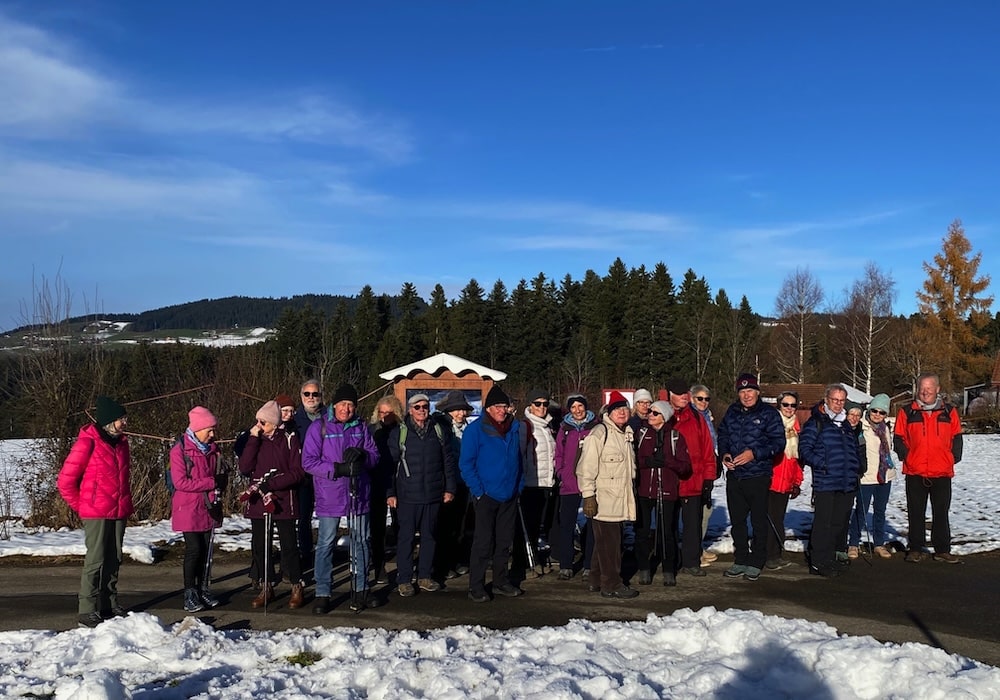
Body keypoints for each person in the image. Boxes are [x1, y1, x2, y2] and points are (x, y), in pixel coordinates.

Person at [302, 383, 381, 613]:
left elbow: (375, 456)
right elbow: (308, 462)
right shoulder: (319, 427)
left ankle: (361, 588)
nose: (346, 409)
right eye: (342, 404)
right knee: (326, 543)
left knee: (361, 541)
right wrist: (337, 469)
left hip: (358, 493)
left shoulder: (361, 426)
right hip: (330, 494)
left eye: (350, 405)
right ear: (334, 404)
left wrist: (363, 456)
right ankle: (323, 592)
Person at [57, 396, 133, 628]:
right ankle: (87, 609)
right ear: (109, 421)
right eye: (121, 419)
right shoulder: (88, 442)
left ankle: (108, 603)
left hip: (119, 510)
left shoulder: (121, 443)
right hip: (96, 513)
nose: (125, 423)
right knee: (96, 560)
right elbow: (65, 482)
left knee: (114, 558)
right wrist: (83, 506)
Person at [717, 374, 786, 581]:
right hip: (735, 475)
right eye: (742, 392)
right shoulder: (732, 411)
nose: (746, 395)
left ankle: (757, 560)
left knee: (758, 521)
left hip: (758, 475)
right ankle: (740, 558)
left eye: (750, 391)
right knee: (737, 521)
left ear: (757, 392)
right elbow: (723, 434)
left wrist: (754, 453)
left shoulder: (769, 414)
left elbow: (778, 443)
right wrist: (725, 454)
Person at [238, 400, 306, 609]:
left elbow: (297, 472)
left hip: (283, 499)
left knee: (289, 545)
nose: (259, 425)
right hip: (258, 500)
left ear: (274, 424)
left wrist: (273, 483)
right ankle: (266, 585)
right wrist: (252, 439)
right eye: (258, 421)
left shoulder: (289, 439)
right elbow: (245, 467)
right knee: (260, 545)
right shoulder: (254, 439)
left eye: (263, 422)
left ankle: (296, 584)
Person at [460, 385, 525, 603]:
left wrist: (518, 486)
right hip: (486, 495)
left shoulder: (513, 428)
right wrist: (479, 491)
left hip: (509, 494)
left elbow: (518, 459)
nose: (502, 410)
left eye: (505, 406)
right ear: (488, 408)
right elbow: (466, 464)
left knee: (504, 542)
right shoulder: (475, 430)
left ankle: (500, 581)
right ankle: (476, 586)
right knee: (483, 542)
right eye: (497, 406)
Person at [388, 394, 458, 596]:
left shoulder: (438, 430)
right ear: (410, 410)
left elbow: (448, 461)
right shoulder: (400, 432)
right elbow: (390, 466)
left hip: (433, 494)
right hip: (407, 495)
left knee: (429, 537)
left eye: (425, 406)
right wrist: (390, 493)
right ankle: (404, 579)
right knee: (406, 538)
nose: (421, 410)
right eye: (417, 407)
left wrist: (450, 488)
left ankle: (425, 576)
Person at [894, 373, 963, 564]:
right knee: (915, 512)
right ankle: (915, 548)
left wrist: (952, 458)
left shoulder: (949, 412)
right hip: (915, 471)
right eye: (922, 388)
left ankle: (942, 550)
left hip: (942, 471)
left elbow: (957, 437)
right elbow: (898, 438)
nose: (925, 392)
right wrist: (907, 457)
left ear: (937, 389)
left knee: (941, 513)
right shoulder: (907, 412)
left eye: (929, 388)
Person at [578, 391, 640, 599]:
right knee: (611, 546)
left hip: (619, 499)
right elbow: (586, 468)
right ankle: (612, 584)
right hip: (604, 500)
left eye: (625, 409)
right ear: (609, 413)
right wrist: (588, 495)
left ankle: (596, 580)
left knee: (604, 544)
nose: (622, 413)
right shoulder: (599, 433)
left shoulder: (626, 434)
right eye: (617, 409)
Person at [799, 384, 863, 578]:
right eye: (835, 400)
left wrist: (855, 468)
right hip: (826, 482)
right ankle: (818, 561)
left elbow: (853, 449)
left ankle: (829, 558)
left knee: (838, 523)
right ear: (826, 400)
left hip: (846, 482)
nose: (838, 404)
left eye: (842, 400)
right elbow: (805, 450)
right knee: (823, 524)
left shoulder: (845, 425)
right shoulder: (816, 422)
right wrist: (823, 464)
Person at [170, 406, 224, 612]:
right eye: (209, 430)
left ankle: (203, 588)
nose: (212, 434)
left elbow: (218, 473)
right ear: (198, 428)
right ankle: (190, 593)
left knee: (206, 551)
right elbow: (180, 482)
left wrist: (221, 480)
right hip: (188, 508)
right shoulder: (180, 450)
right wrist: (211, 482)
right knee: (194, 550)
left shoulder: (213, 449)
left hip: (208, 506)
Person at [634, 400, 691, 586]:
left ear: (664, 417)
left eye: (655, 413)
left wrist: (667, 461)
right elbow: (632, 459)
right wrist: (647, 462)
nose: (650, 414)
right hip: (644, 490)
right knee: (642, 531)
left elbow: (685, 467)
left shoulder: (675, 437)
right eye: (650, 411)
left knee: (666, 532)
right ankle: (644, 567)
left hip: (666, 491)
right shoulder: (641, 434)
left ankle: (668, 569)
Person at [664, 378, 716, 578]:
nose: (684, 397)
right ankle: (670, 562)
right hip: (669, 480)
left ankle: (691, 562)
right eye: (679, 394)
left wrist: (708, 478)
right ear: (669, 395)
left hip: (693, 479)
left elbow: (707, 450)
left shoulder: (696, 417)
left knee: (693, 525)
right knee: (668, 525)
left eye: (685, 393)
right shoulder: (662, 415)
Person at [552, 394, 600, 580]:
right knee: (567, 525)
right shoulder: (564, 429)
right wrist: (561, 473)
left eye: (580, 406)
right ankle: (566, 565)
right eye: (573, 407)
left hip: (591, 483)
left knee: (592, 525)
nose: (577, 410)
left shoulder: (596, 427)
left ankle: (589, 565)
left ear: (586, 407)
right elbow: (558, 454)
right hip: (569, 484)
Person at [433, 389, 475, 580]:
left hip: (464, 483)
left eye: (463, 410)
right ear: (448, 411)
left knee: (460, 525)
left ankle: (456, 560)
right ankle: (442, 564)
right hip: (447, 485)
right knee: (445, 526)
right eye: (457, 410)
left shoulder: (467, 428)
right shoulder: (442, 428)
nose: (461, 413)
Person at [849, 393, 897, 560]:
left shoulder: (886, 428)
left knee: (880, 511)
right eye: (874, 410)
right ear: (869, 410)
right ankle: (853, 543)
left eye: (882, 412)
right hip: (866, 476)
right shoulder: (861, 426)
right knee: (861, 511)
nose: (877, 414)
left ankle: (878, 543)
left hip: (885, 476)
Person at [518, 387, 558, 576]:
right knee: (529, 525)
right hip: (531, 484)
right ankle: (525, 563)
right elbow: (519, 455)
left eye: (545, 404)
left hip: (547, 483)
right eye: (537, 404)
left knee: (542, 525)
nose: (542, 407)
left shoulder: (547, 427)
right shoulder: (525, 426)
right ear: (530, 405)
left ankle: (536, 559)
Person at [766, 391, 803, 570]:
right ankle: (767, 555)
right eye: (785, 404)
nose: (789, 408)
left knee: (778, 519)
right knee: (769, 519)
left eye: (793, 405)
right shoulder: (772, 425)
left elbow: (797, 460)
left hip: (786, 482)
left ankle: (775, 554)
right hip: (770, 480)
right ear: (779, 405)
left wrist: (797, 482)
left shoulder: (796, 428)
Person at [369, 395, 403, 585]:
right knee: (377, 528)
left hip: (398, 482)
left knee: (401, 525)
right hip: (375, 483)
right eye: (381, 412)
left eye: (388, 412)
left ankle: (403, 565)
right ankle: (379, 566)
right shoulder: (372, 430)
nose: (384, 416)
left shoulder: (402, 431)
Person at [293, 380, 324, 566]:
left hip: (325, 474)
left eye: (315, 394)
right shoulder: (294, 419)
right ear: (301, 396)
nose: (311, 398)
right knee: (303, 516)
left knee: (328, 516)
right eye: (307, 394)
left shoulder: (330, 417)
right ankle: (305, 553)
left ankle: (325, 553)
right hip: (303, 476)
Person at [690, 384, 720, 568]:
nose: (703, 402)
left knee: (704, 511)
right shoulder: (691, 416)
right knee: (696, 513)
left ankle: (698, 548)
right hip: (695, 471)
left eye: (707, 399)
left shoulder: (707, 416)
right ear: (692, 398)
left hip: (707, 468)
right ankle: (694, 553)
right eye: (700, 398)